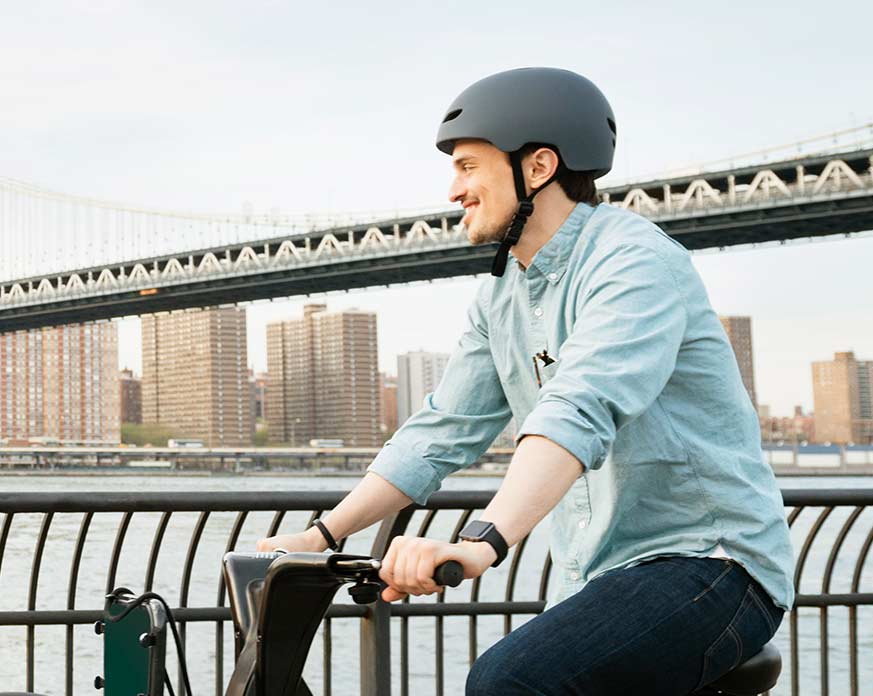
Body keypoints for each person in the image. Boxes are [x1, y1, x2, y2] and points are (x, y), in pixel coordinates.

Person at [255, 67, 793, 694]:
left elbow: (577, 408)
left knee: (510, 681)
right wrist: (319, 536)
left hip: (713, 564)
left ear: (537, 168)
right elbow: (439, 431)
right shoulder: (500, 295)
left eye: (467, 167)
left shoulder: (634, 260)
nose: (453, 190)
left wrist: (483, 541)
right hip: (601, 575)